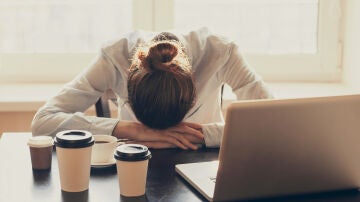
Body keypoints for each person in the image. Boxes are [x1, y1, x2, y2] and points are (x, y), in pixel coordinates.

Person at [31, 27, 273, 150]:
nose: (167, 134)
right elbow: (43, 122)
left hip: (204, 159)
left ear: (192, 84)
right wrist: (131, 129)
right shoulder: (115, 56)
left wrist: (205, 135)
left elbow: (275, 122)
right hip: (135, 155)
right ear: (129, 83)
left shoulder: (220, 51)